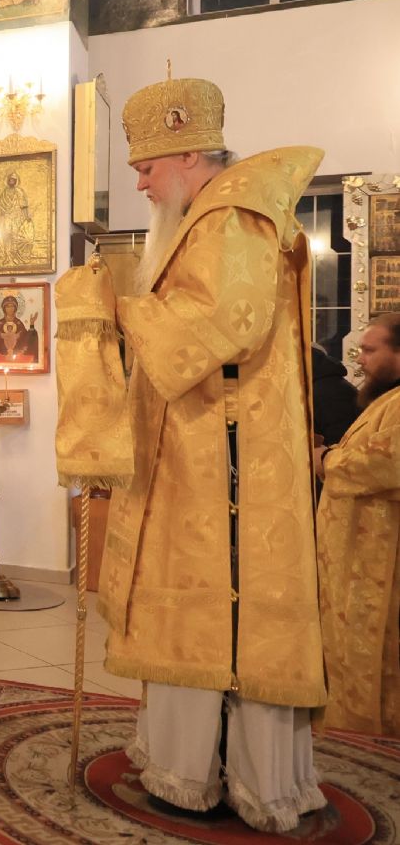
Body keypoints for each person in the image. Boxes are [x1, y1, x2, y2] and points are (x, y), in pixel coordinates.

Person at [91, 77, 326, 831]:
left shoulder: (229, 216)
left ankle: (216, 773)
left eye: (146, 167)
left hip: (225, 460)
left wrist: (117, 309)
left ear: (189, 154)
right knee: (197, 611)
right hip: (215, 448)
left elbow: (222, 327)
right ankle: (198, 764)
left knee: (218, 610)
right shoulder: (214, 217)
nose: (139, 183)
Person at [314, 313, 400, 736]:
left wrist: (326, 460)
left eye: (369, 350)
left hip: (381, 561)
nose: (359, 359)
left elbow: (387, 462)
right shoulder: (386, 401)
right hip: (359, 558)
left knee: (377, 655)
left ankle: (372, 743)